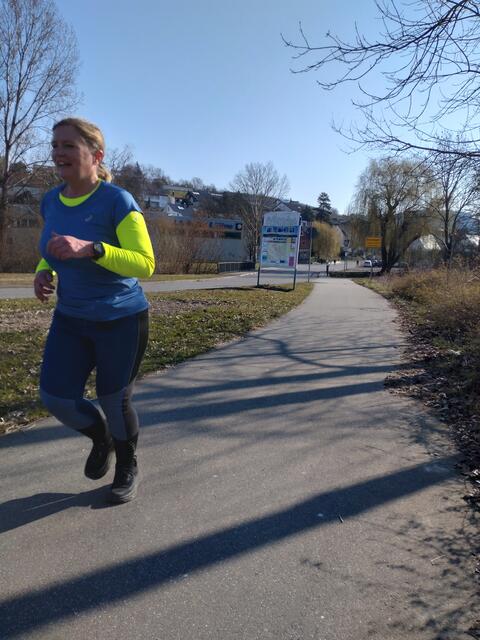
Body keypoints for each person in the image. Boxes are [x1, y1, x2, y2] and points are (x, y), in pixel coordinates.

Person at [34, 117, 155, 504]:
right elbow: (52, 248)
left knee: (114, 399)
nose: (58, 152)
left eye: (69, 145)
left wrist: (93, 249)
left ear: (96, 155)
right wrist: (44, 271)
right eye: (55, 145)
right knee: (56, 397)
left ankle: (127, 464)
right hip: (71, 318)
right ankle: (102, 437)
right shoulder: (50, 201)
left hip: (120, 318)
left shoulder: (118, 201)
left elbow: (145, 264)